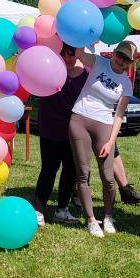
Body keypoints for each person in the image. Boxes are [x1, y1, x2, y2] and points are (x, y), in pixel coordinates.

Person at [69, 40, 136, 237]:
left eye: (126, 59)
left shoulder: (126, 82)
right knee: (83, 173)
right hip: (79, 119)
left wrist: (110, 141)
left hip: (104, 125)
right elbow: (79, 54)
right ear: (114, 53)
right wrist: (85, 37)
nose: (121, 61)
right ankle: (91, 220)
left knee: (108, 178)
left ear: (130, 63)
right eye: (120, 55)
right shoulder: (99, 62)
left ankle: (107, 216)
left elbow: (119, 115)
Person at [34, 45, 85, 225]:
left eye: (72, 56)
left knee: (70, 172)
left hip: (73, 133)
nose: (68, 60)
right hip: (50, 131)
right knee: (48, 170)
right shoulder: (48, 72)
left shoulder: (86, 75)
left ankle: (62, 210)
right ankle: (38, 210)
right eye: (64, 56)